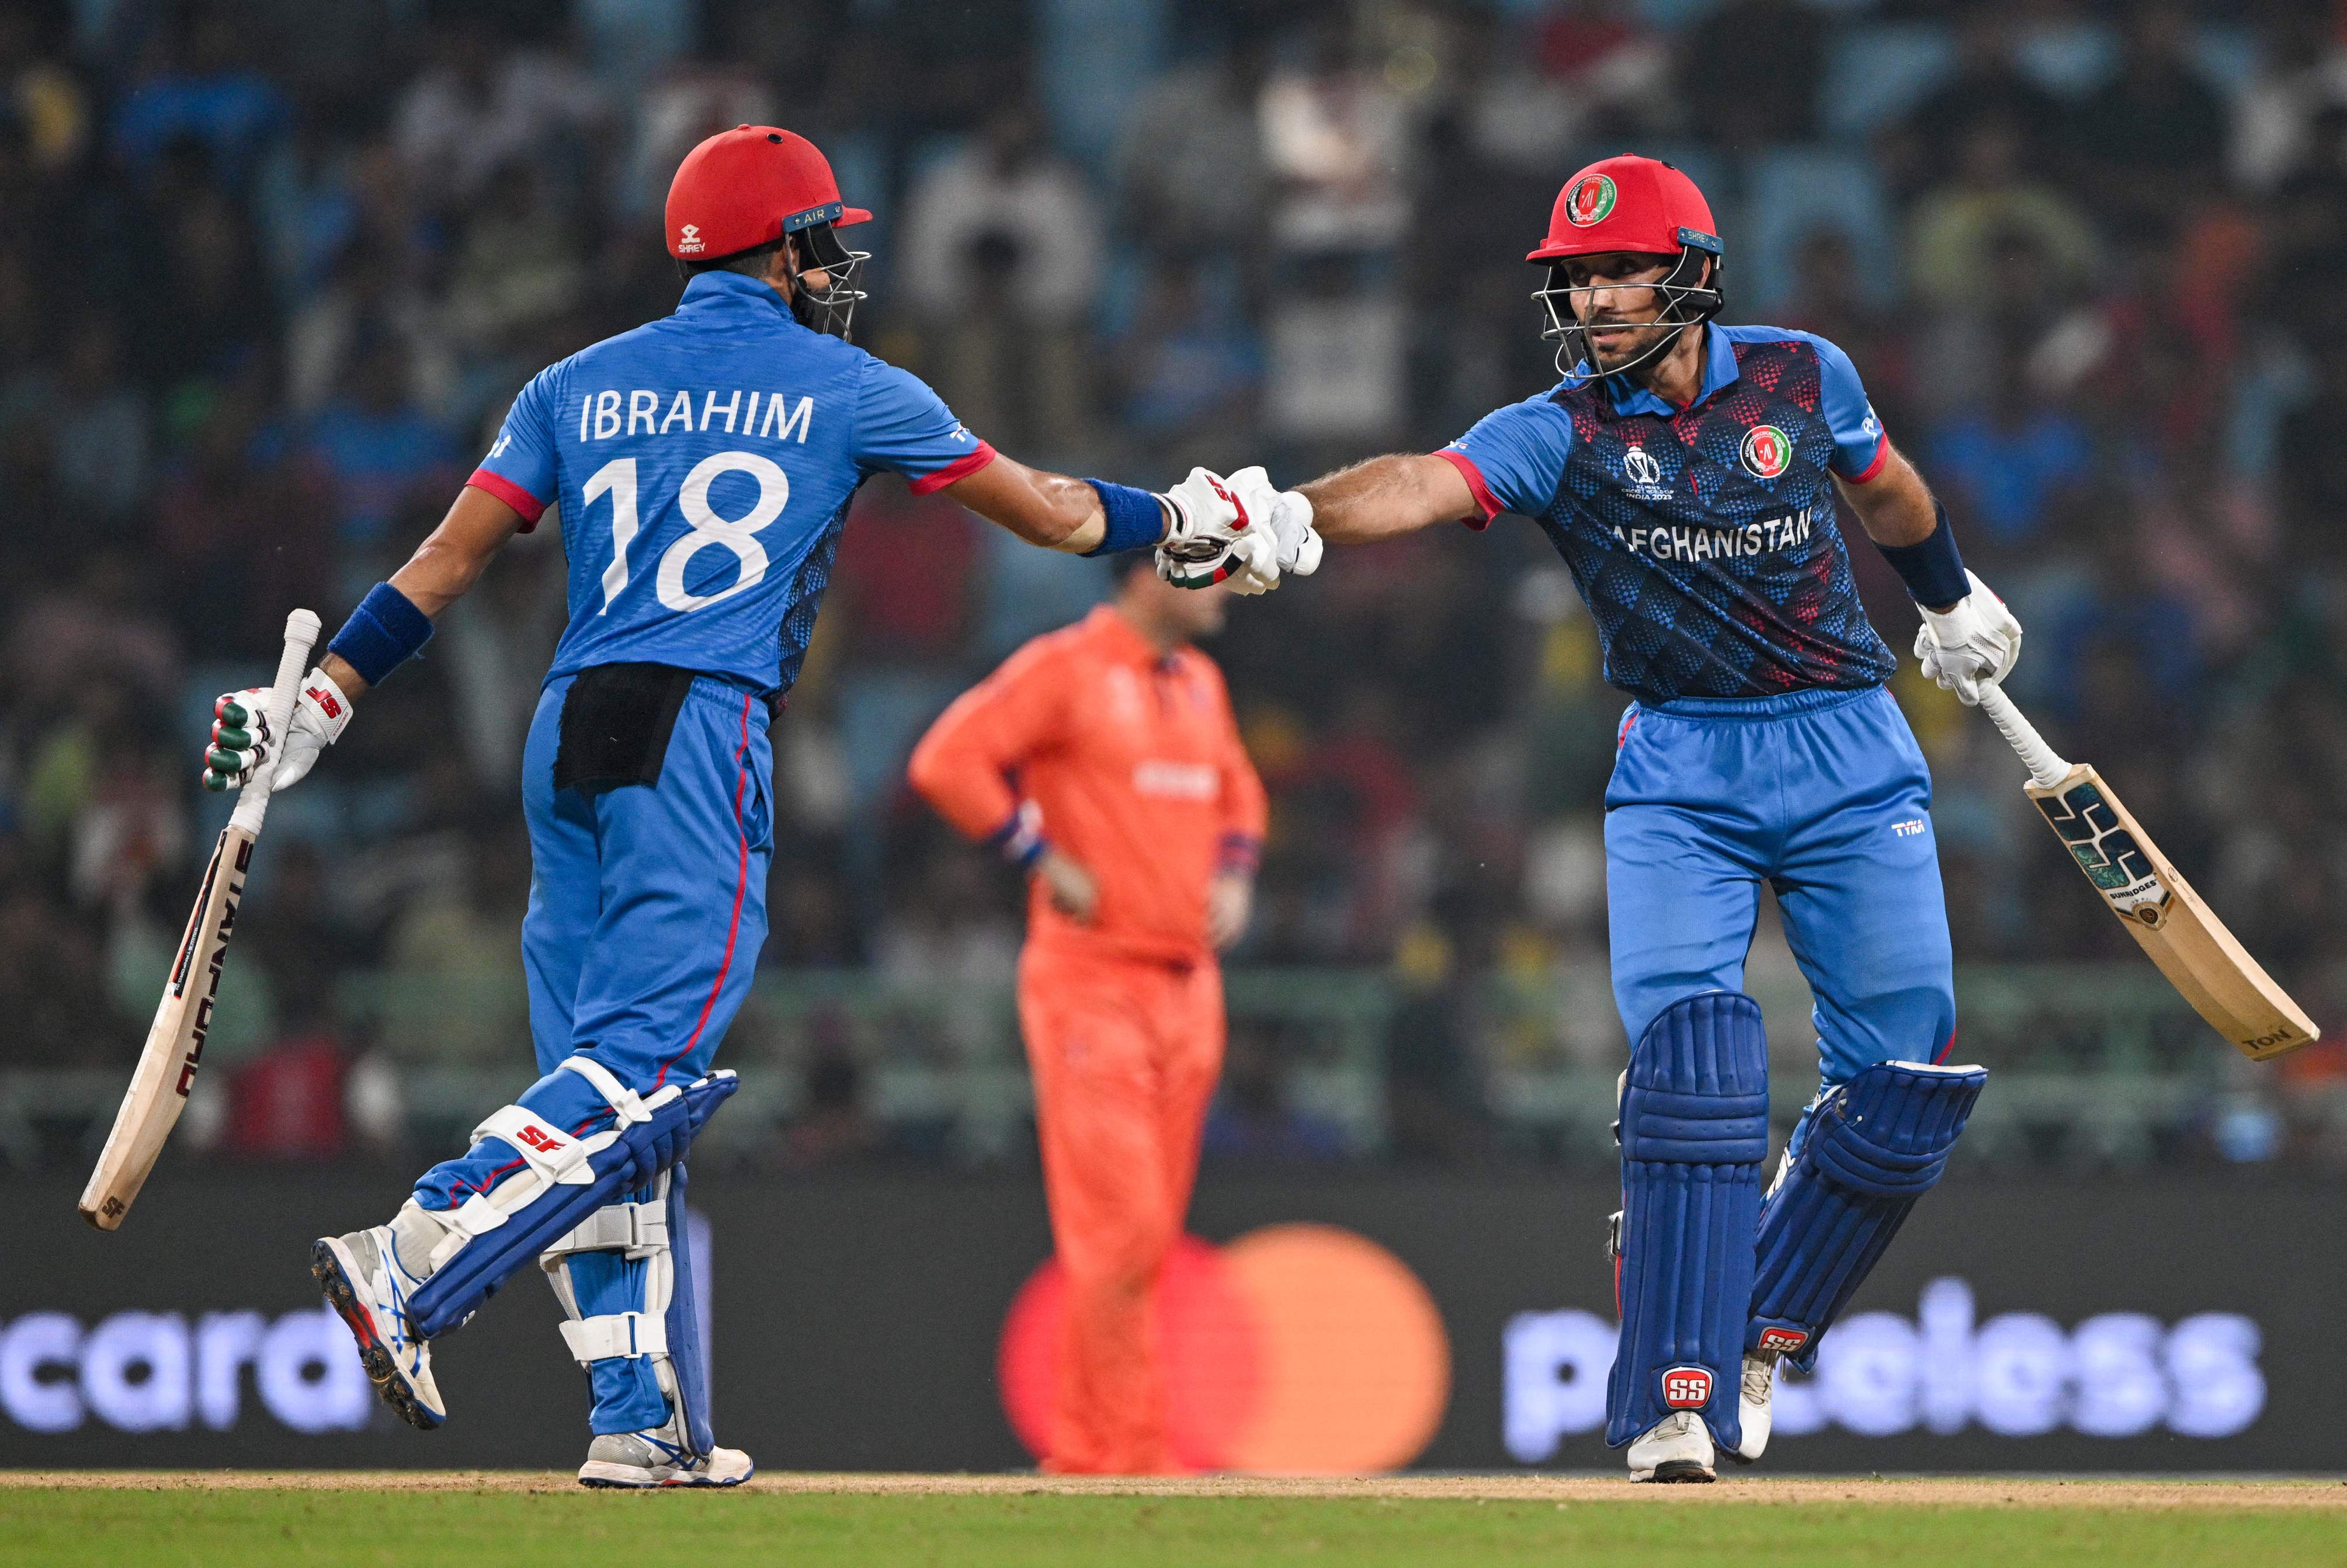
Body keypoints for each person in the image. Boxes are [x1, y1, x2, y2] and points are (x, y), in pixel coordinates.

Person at [199, 124, 1261, 1489]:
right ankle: (408, 1252)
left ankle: (639, 1419)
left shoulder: (572, 382)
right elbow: (1051, 515)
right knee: (641, 1069)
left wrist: (323, 702)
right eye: (826, 239)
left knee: (601, 1080)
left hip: (570, 721)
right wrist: (1179, 515)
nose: (838, 265)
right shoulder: (848, 382)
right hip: (702, 723)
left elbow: (444, 561)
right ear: (785, 248)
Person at [1188, 156, 2019, 1482]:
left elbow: (1888, 488)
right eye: (1572, 276)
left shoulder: (1802, 373)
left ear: (1690, 273)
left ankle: (1760, 1328)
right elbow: (1425, 479)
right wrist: (1295, 511)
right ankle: (1665, 1400)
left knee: (1908, 1080)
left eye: (1613, 270)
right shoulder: (1563, 425)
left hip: (1849, 746)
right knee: (1698, 1069)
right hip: (1682, 767)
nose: (1587, 295)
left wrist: (1945, 596)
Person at [907, 558, 1263, 1473]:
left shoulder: (1202, 682)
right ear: (1151, 571)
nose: (1230, 585)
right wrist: (1035, 851)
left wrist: (1234, 869)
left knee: (1146, 1234)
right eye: (1213, 568)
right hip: (1092, 980)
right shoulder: (1063, 667)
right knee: (1123, 1225)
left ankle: (1099, 1445)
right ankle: (1119, 1450)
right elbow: (947, 760)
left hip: (1188, 988)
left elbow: (1241, 794)